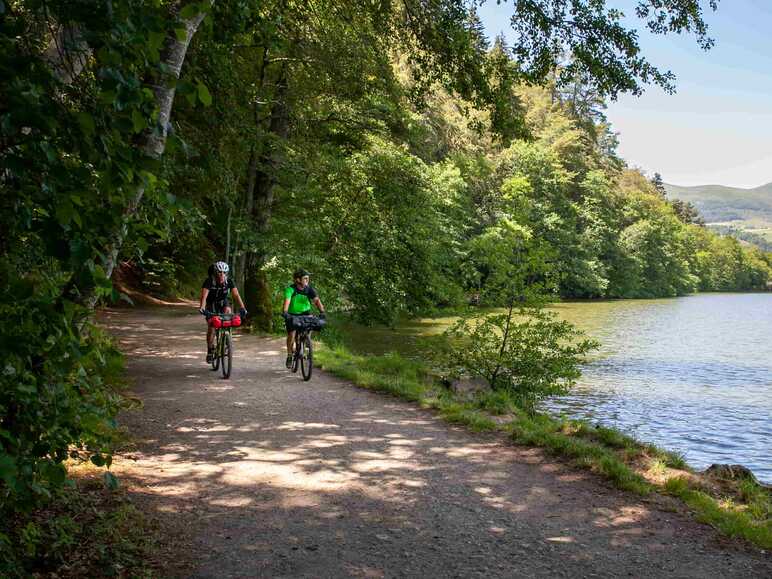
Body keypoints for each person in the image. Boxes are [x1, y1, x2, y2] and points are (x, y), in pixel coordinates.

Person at [199, 261, 247, 363]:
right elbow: (204, 296)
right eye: (219, 272)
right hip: (211, 304)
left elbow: (236, 295)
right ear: (215, 273)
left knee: (228, 312)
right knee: (212, 328)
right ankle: (210, 350)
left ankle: (226, 338)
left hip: (223, 302)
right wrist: (202, 308)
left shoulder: (229, 281)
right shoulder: (209, 281)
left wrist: (243, 308)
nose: (222, 275)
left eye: (224, 273)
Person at [282, 268, 325, 368]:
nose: (307, 280)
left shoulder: (309, 289)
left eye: (308, 278)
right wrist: (285, 312)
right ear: (298, 280)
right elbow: (287, 301)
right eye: (305, 278)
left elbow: (317, 301)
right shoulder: (290, 289)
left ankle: (306, 344)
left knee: (310, 327)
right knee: (291, 335)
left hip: (306, 313)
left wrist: (322, 312)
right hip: (292, 314)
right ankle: (289, 355)